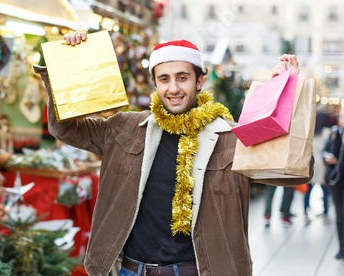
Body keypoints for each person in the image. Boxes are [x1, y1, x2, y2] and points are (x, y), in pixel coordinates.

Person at [34, 31, 314, 276]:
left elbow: (294, 172)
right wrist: (66, 64)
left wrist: (286, 94)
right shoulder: (125, 127)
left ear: (200, 80)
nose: (174, 88)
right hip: (133, 270)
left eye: (183, 78)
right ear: (154, 83)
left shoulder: (233, 137)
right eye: (164, 79)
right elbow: (66, 129)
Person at [322, 108, 344, 261]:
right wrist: (326, 157)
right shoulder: (334, 133)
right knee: (340, 215)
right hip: (335, 180)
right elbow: (324, 151)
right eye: (342, 116)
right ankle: (342, 247)